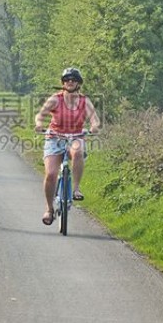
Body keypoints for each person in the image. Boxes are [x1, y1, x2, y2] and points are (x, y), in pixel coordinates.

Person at [34, 67, 101, 225]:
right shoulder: (55, 99)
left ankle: (76, 189)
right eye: (67, 80)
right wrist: (38, 124)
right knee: (50, 175)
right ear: (63, 83)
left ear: (78, 83)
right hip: (54, 137)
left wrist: (94, 127)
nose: (70, 82)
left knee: (77, 152)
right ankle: (49, 209)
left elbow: (94, 119)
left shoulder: (85, 101)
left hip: (76, 136)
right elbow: (40, 115)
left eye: (73, 80)